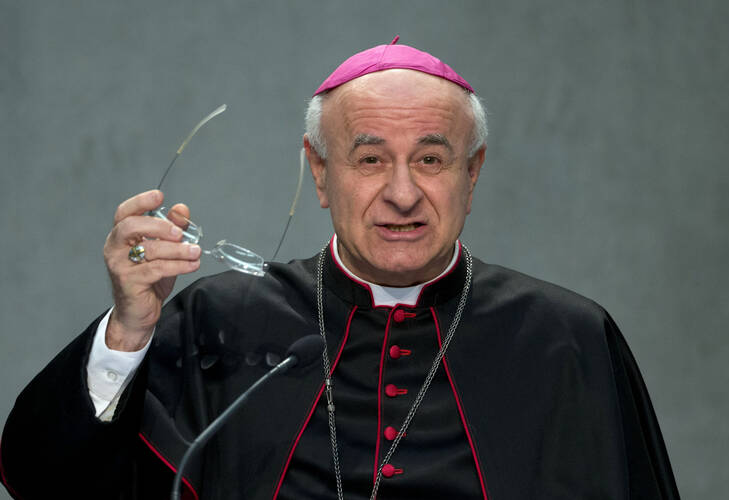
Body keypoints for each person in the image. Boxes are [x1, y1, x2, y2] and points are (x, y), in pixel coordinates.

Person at [1, 38, 680, 499]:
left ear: (472, 176)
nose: (403, 192)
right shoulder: (222, 325)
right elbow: (46, 481)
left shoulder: (567, 340)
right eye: (370, 159)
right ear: (320, 174)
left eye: (433, 159)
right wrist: (127, 330)